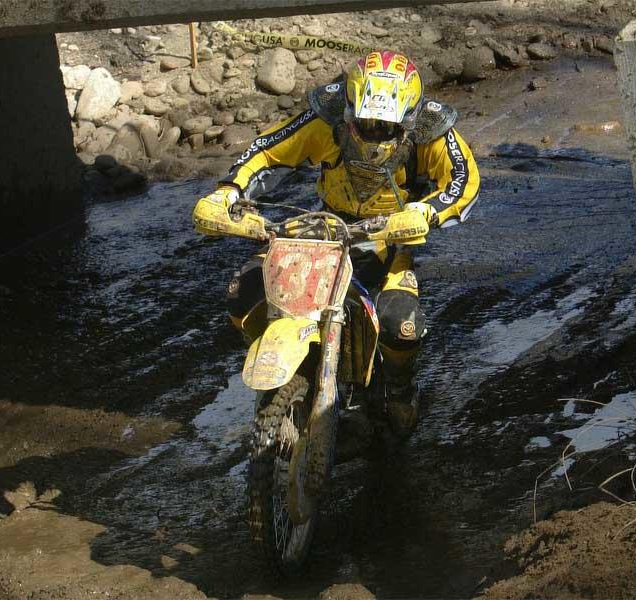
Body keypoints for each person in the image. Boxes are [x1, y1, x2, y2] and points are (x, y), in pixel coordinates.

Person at [195, 50, 480, 437]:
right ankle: (286, 369)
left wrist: (426, 212)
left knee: (402, 325)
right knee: (242, 293)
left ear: (409, 120)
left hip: (389, 236)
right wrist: (227, 192)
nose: (374, 133)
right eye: (365, 124)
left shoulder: (431, 131)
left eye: (386, 127)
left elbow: (463, 181)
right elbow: (266, 149)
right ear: (348, 111)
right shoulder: (325, 120)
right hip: (325, 225)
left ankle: (399, 387)